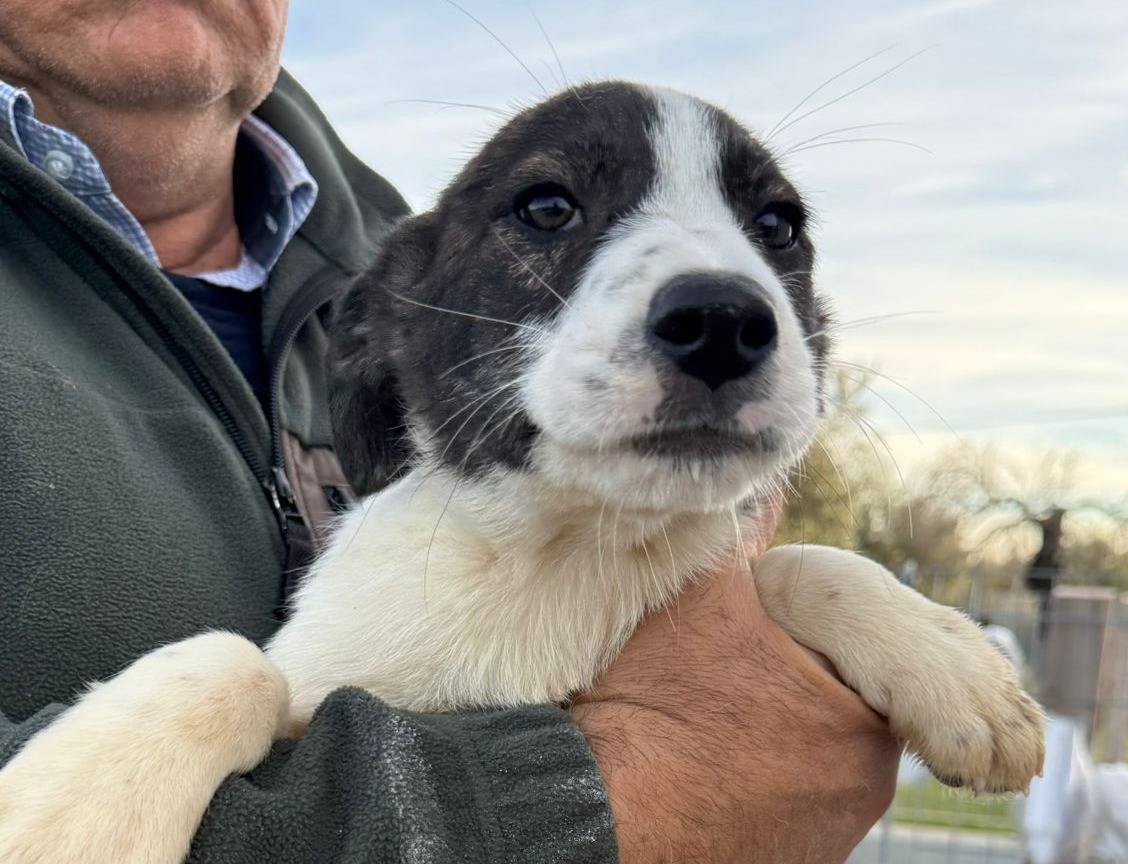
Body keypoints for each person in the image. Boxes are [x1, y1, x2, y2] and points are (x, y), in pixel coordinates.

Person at [0, 1, 899, 860]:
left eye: (774, 224)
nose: (722, 303)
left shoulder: (393, 245)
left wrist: (815, 598)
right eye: (549, 212)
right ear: (384, 347)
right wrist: (616, 810)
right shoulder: (432, 273)